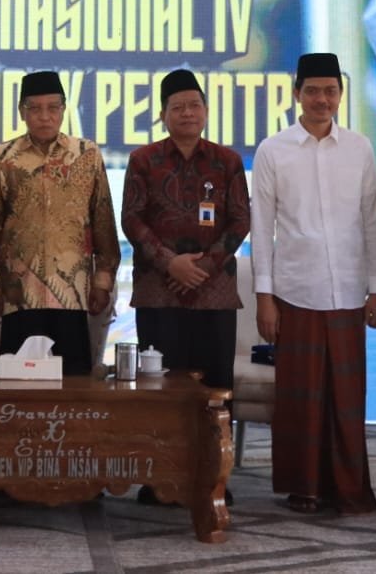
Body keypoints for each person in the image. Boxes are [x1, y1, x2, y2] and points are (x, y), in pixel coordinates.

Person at [251, 53, 376, 515]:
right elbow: (261, 227)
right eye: (312, 91)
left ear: (341, 95)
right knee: (301, 399)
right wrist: (265, 298)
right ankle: (304, 486)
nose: (321, 100)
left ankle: (347, 488)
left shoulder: (360, 149)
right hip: (295, 290)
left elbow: (373, 221)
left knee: (346, 398)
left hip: (349, 290)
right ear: (297, 94)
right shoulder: (273, 150)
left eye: (330, 91)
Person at [121, 69, 250, 504]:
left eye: (194, 105)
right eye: (178, 107)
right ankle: (160, 479)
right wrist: (170, 263)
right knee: (161, 387)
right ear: (163, 115)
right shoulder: (143, 160)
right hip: (159, 292)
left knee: (214, 388)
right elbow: (132, 219)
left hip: (214, 294)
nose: (187, 113)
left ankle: (214, 478)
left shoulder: (227, 161)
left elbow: (241, 219)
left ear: (206, 111)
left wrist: (205, 266)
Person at [0, 71, 118, 376]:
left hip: (72, 294)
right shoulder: (3, 158)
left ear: (64, 110)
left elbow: (103, 222)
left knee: (73, 385)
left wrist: (102, 282)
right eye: (35, 108)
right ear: (22, 111)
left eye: (53, 107)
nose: (44, 116)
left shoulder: (86, 155)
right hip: (19, 295)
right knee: (17, 382)